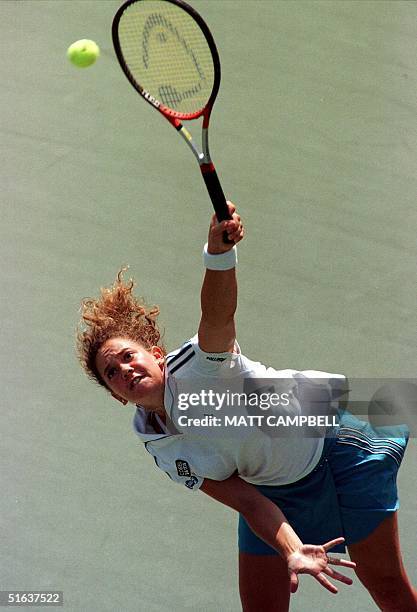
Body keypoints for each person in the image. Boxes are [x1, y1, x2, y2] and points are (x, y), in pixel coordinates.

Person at [77, 203, 416, 611]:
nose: (125, 370)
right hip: (275, 490)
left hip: (338, 449)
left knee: (389, 590)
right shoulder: (163, 449)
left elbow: (217, 314)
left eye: (129, 357)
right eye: (112, 372)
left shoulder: (202, 366)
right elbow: (250, 502)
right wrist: (292, 549)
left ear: (157, 355)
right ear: (117, 396)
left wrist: (218, 254)